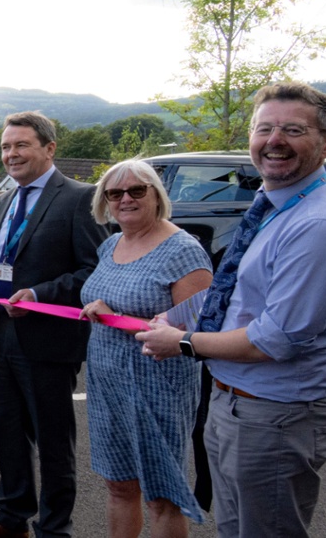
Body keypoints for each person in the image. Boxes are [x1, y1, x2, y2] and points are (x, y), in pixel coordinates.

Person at [138, 81, 326, 538]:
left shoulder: (319, 224)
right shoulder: (272, 206)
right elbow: (233, 292)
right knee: (235, 528)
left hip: (276, 415)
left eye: (292, 129)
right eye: (264, 128)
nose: (274, 141)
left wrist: (184, 342)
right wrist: (177, 316)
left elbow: (278, 338)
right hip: (237, 404)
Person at [0, 111, 108, 538]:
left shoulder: (79, 197)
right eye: (5, 146)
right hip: (1, 335)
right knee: (9, 435)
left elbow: (93, 271)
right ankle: (10, 518)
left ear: (49, 148)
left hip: (48, 342)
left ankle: (54, 530)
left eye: (21, 145)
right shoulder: (5, 200)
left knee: (54, 444)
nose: (11, 154)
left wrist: (39, 295)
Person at [76, 160, 212, 537]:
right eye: (115, 193)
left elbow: (194, 331)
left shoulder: (183, 251)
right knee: (118, 485)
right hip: (107, 383)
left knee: (161, 495)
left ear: (157, 195)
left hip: (158, 385)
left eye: (137, 190)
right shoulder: (110, 244)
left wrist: (113, 316)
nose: (126, 199)